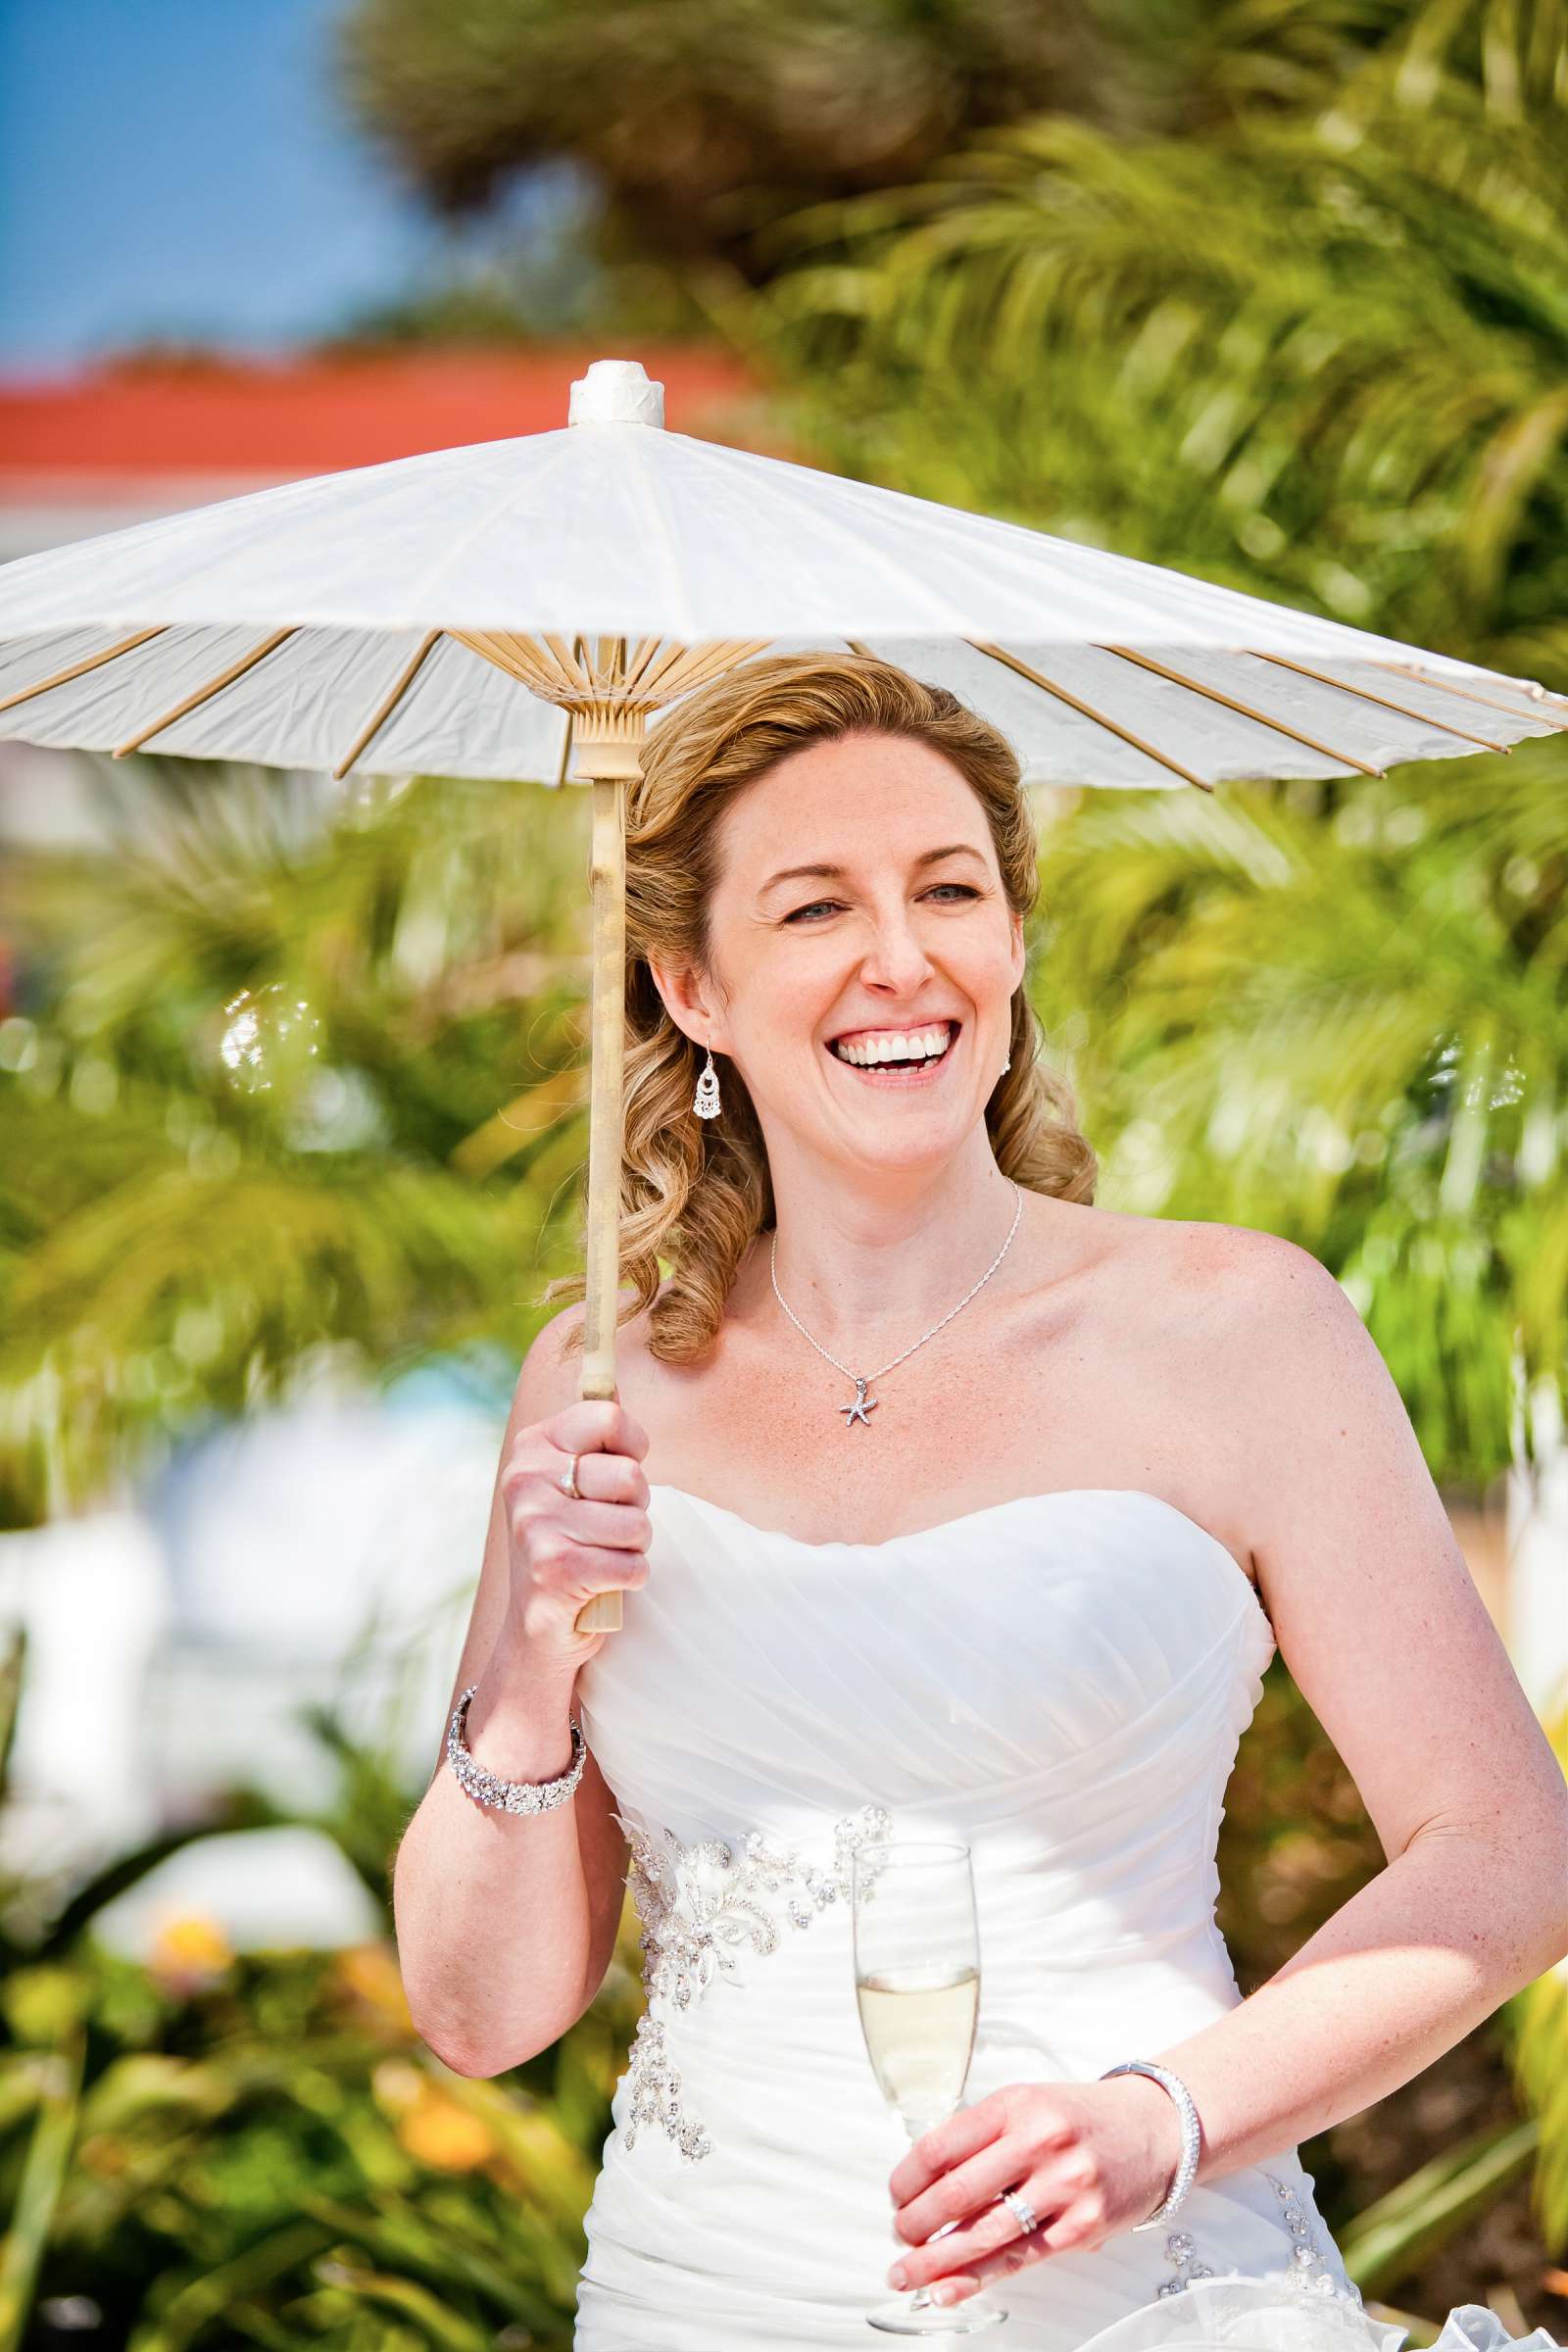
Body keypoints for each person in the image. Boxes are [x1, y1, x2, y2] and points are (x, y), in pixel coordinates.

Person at [392, 654, 1568, 2352]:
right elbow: (481, 2016)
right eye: (813, 908)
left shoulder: (1241, 1330)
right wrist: (520, 1671)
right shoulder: (597, 1383)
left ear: (1012, 942)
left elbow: (1510, 1851)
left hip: (1147, 2301)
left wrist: (1165, 2123)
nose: (902, 958)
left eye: (949, 889)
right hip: (699, 2296)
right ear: (688, 984)